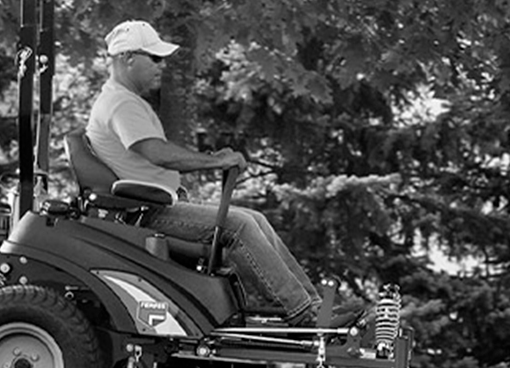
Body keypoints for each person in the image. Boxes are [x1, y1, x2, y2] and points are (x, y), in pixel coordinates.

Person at [86, 20, 353, 327]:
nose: (162, 66)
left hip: (156, 205)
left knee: (256, 220)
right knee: (238, 225)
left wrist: (212, 160)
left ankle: (312, 307)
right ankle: (304, 314)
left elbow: (150, 153)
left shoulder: (124, 100)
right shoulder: (120, 103)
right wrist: (216, 162)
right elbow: (156, 152)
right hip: (148, 214)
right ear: (127, 58)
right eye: (155, 58)